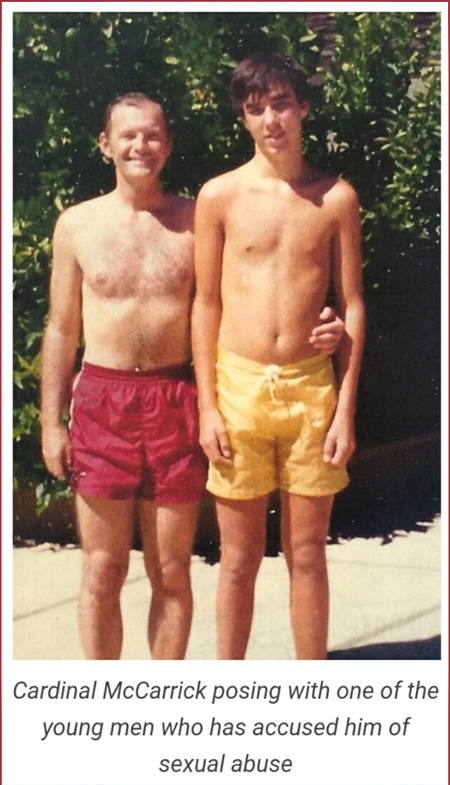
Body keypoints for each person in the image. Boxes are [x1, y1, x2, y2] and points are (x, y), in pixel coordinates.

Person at [40, 91, 344, 661]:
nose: (141, 145)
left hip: (176, 397)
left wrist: (328, 324)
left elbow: (258, 288)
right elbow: (60, 329)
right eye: (128, 135)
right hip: (103, 399)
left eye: (153, 134)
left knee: (171, 572)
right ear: (105, 144)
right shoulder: (75, 226)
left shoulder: (193, 220)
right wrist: (51, 423)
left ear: (169, 144)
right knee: (101, 569)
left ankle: (168, 701)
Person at [192, 52, 365, 660]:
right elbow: (205, 304)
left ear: (303, 108)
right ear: (243, 118)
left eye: (282, 103)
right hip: (237, 389)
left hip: (311, 390)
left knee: (309, 554)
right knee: (237, 558)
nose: (271, 119)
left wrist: (345, 406)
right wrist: (208, 406)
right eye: (256, 107)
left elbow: (353, 303)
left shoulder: (335, 198)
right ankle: (229, 690)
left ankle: (309, 690)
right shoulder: (218, 197)